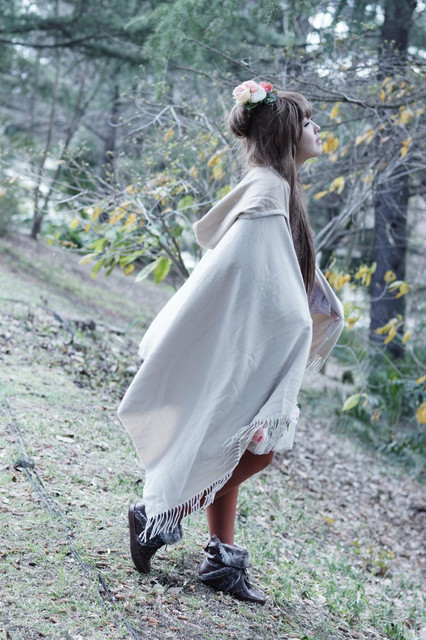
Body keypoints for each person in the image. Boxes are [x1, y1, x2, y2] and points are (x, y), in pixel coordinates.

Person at [118, 80, 344, 605]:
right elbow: (247, 272)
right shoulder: (268, 190)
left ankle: (220, 560)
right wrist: (295, 320)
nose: (316, 128)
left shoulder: (276, 186)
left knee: (237, 443)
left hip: (247, 343)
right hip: (243, 345)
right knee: (256, 450)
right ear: (287, 134)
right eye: (308, 122)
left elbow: (275, 268)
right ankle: (156, 514)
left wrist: (317, 300)